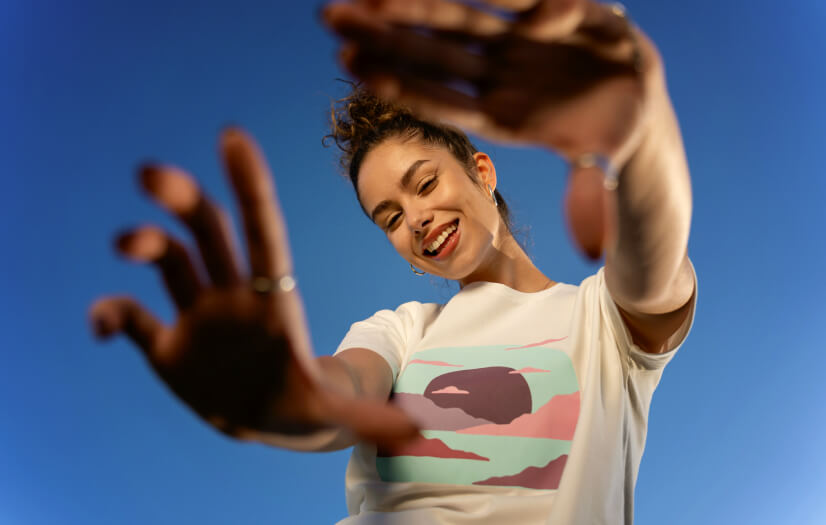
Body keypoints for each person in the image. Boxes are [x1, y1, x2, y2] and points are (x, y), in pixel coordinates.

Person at [89, 1, 697, 523]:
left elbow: (654, 256)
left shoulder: (600, 318)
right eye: (390, 216)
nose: (416, 218)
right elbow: (344, 391)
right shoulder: (403, 330)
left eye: (425, 183)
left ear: (482, 173)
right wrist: (293, 396)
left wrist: (643, 129)